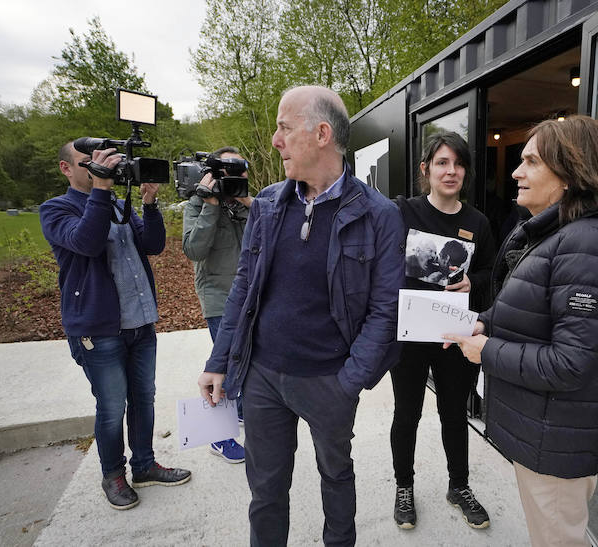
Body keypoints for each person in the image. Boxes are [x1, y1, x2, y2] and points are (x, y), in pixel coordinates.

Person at [197, 85, 406, 546]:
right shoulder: (269, 204)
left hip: (329, 380)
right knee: (266, 491)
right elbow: (244, 287)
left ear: (322, 134)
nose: (275, 140)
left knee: (336, 477)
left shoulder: (379, 214)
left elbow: (385, 309)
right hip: (263, 378)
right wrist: (219, 360)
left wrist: (349, 381)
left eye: (284, 128)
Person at [444, 116, 598, 546]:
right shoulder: (558, 234)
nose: (515, 172)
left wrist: (487, 351)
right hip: (547, 433)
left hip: (557, 443)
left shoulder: (588, 243)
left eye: (531, 162)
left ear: (572, 174)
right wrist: (484, 322)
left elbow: (572, 363)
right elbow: (532, 310)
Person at [40, 142, 191, 511]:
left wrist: (150, 203)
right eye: (87, 164)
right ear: (66, 168)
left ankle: (144, 465)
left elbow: (152, 245)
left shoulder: (120, 206)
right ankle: (113, 475)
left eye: (104, 165)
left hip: (140, 322)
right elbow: (87, 242)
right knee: (111, 408)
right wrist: (103, 190)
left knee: (143, 400)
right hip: (98, 329)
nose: (97, 169)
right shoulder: (56, 209)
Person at [390, 131, 496, 530]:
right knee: (407, 414)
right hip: (412, 334)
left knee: (454, 413)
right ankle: (404, 486)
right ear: (426, 169)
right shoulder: (403, 212)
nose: (451, 171)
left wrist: (474, 282)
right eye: (442, 163)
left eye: (458, 164)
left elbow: (489, 269)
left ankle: (459, 486)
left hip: (455, 334)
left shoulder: (477, 222)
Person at [182, 146, 251, 464]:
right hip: (220, 300)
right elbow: (194, 250)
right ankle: (218, 438)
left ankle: (237, 415)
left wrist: (247, 201)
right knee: (223, 366)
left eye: (240, 170)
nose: (235, 177)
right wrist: (211, 204)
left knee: (249, 366)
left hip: (251, 297)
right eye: (229, 170)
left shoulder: (246, 202)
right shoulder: (197, 203)